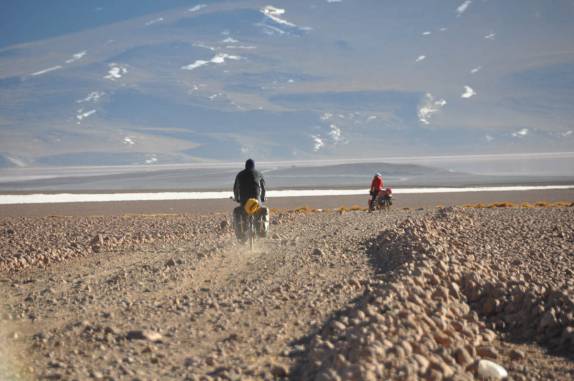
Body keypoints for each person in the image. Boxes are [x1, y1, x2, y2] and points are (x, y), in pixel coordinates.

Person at [233, 159, 269, 240]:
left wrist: (236, 198)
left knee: (239, 212)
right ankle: (262, 230)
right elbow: (263, 189)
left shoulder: (240, 174)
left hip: (244, 203)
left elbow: (235, 189)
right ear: (254, 166)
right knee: (262, 211)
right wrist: (262, 198)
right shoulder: (259, 174)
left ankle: (241, 233)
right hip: (257, 202)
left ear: (245, 166)